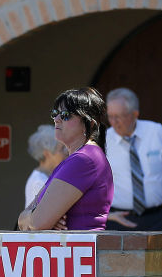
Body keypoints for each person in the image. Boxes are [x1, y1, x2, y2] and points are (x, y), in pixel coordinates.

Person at [18, 88, 113, 231]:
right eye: (55, 113)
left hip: (80, 249)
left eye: (66, 115)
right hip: (72, 249)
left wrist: (34, 216)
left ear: (90, 124)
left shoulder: (83, 160)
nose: (57, 119)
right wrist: (36, 217)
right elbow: (24, 221)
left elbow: (37, 224)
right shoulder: (79, 158)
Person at [104, 87, 162, 231]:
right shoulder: (103, 140)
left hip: (156, 219)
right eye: (110, 116)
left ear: (134, 114)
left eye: (119, 116)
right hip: (118, 221)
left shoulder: (156, 132)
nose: (114, 122)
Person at [23, 125, 66, 208]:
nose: (66, 152)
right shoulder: (38, 182)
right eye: (62, 149)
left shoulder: (50, 176)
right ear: (47, 153)